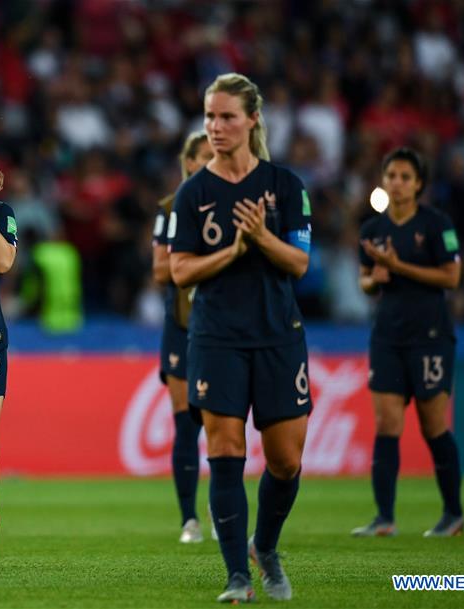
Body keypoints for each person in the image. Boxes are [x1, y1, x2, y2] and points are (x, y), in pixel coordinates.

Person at [169, 73, 313, 603]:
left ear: (253, 119)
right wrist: (232, 251)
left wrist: (260, 238)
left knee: (285, 461)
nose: (216, 126)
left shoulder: (287, 186)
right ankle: (236, 576)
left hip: (278, 335)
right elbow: (181, 270)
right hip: (216, 337)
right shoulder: (194, 193)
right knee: (225, 450)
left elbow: (299, 263)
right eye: (210, 116)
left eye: (227, 116)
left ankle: (265, 545)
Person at [354, 147, 464, 538]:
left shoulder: (437, 225)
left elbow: (452, 278)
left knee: (434, 425)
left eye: (405, 176)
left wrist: (400, 267)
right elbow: (365, 282)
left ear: (419, 184)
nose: (397, 183)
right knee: (386, 424)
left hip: (430, 337)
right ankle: (384, 518)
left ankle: (453, 514)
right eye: (391, 176)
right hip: (387, 336)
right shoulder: (372, 230)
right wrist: (375, 279)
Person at [151, 130, 214, 543]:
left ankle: (221, 504)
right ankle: (190, 518)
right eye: (202, 156)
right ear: (188, 162)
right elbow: (160, 271)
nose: (209, 162)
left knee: (223, 422)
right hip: (183, 326)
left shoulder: (235, 203)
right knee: (186, 423)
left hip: (223, 326)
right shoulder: (171, 209)